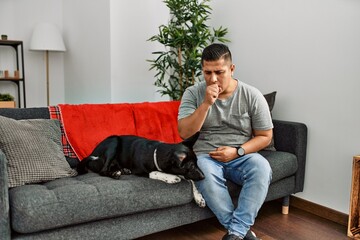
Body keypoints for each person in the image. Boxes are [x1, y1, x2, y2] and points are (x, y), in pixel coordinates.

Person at [178, 43, 273, 240]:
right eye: (207, 72)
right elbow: (184, 133)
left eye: (219, 72)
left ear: (231, 69)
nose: (213, 79)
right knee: (202, 171)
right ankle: (239, 234)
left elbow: (265, 136)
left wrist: (237, 151)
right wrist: (206, 104)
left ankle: (234, 234)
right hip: (206, 156)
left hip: (241, 154)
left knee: (262, 167)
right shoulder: (193, 93)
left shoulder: (251, 95)